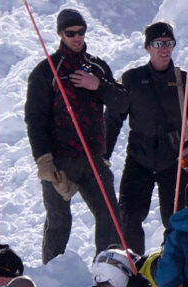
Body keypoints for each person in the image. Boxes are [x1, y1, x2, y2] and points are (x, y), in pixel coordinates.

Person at [25, 8, 127, 262]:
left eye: (81, 32)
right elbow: (34, 119)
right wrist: (44, 160)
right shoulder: (45, 72)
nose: (77, 37)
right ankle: (53, 270)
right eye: (71, 33)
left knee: (110, 215)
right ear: (60, 34)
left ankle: (108, 268)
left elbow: (123, 103)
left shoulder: (97, 66)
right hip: (59, 160)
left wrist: (99, 86)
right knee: (59, 219)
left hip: (93, 157)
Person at [105, 21, 188, 253]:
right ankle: (133, 267)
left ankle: (172, 268)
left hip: (175, 162)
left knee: (176, 220)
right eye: (158, 43)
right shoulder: (131, 80)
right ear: (147, 47)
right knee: (129, 217)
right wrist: (103, 154)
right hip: (138, 158)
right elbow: (113, 119)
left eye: (169, 43)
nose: (164, 48)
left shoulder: (186, 81)